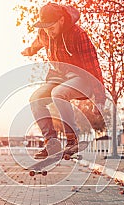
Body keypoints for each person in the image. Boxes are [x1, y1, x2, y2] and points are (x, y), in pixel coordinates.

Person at [21, 2, 106, 159]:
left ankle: (72, 140)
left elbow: (93, 65)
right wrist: (30, 50)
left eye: (51, 28)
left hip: (82, 78)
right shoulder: (44, 33)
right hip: (58, 76)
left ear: (61, 20)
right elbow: (38, 42)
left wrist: (99, 97)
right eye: (46, 29)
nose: (49, 33)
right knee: (35, 99)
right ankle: (51, 143)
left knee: (58, 93)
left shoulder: (78, 35)